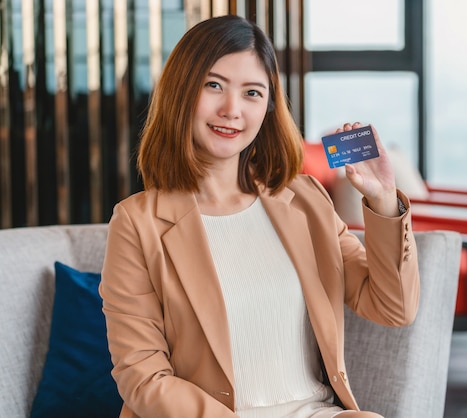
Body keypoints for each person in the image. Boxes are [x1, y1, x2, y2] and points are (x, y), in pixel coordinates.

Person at [100, 14, 419, 418]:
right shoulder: (137, 222)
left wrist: (384, 201)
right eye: (213, 85)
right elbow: (142, 377)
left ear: (268, 107)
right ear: (181, 93)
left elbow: (393, 308)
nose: (232, 109)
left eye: (252, 92)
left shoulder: (305, 201)